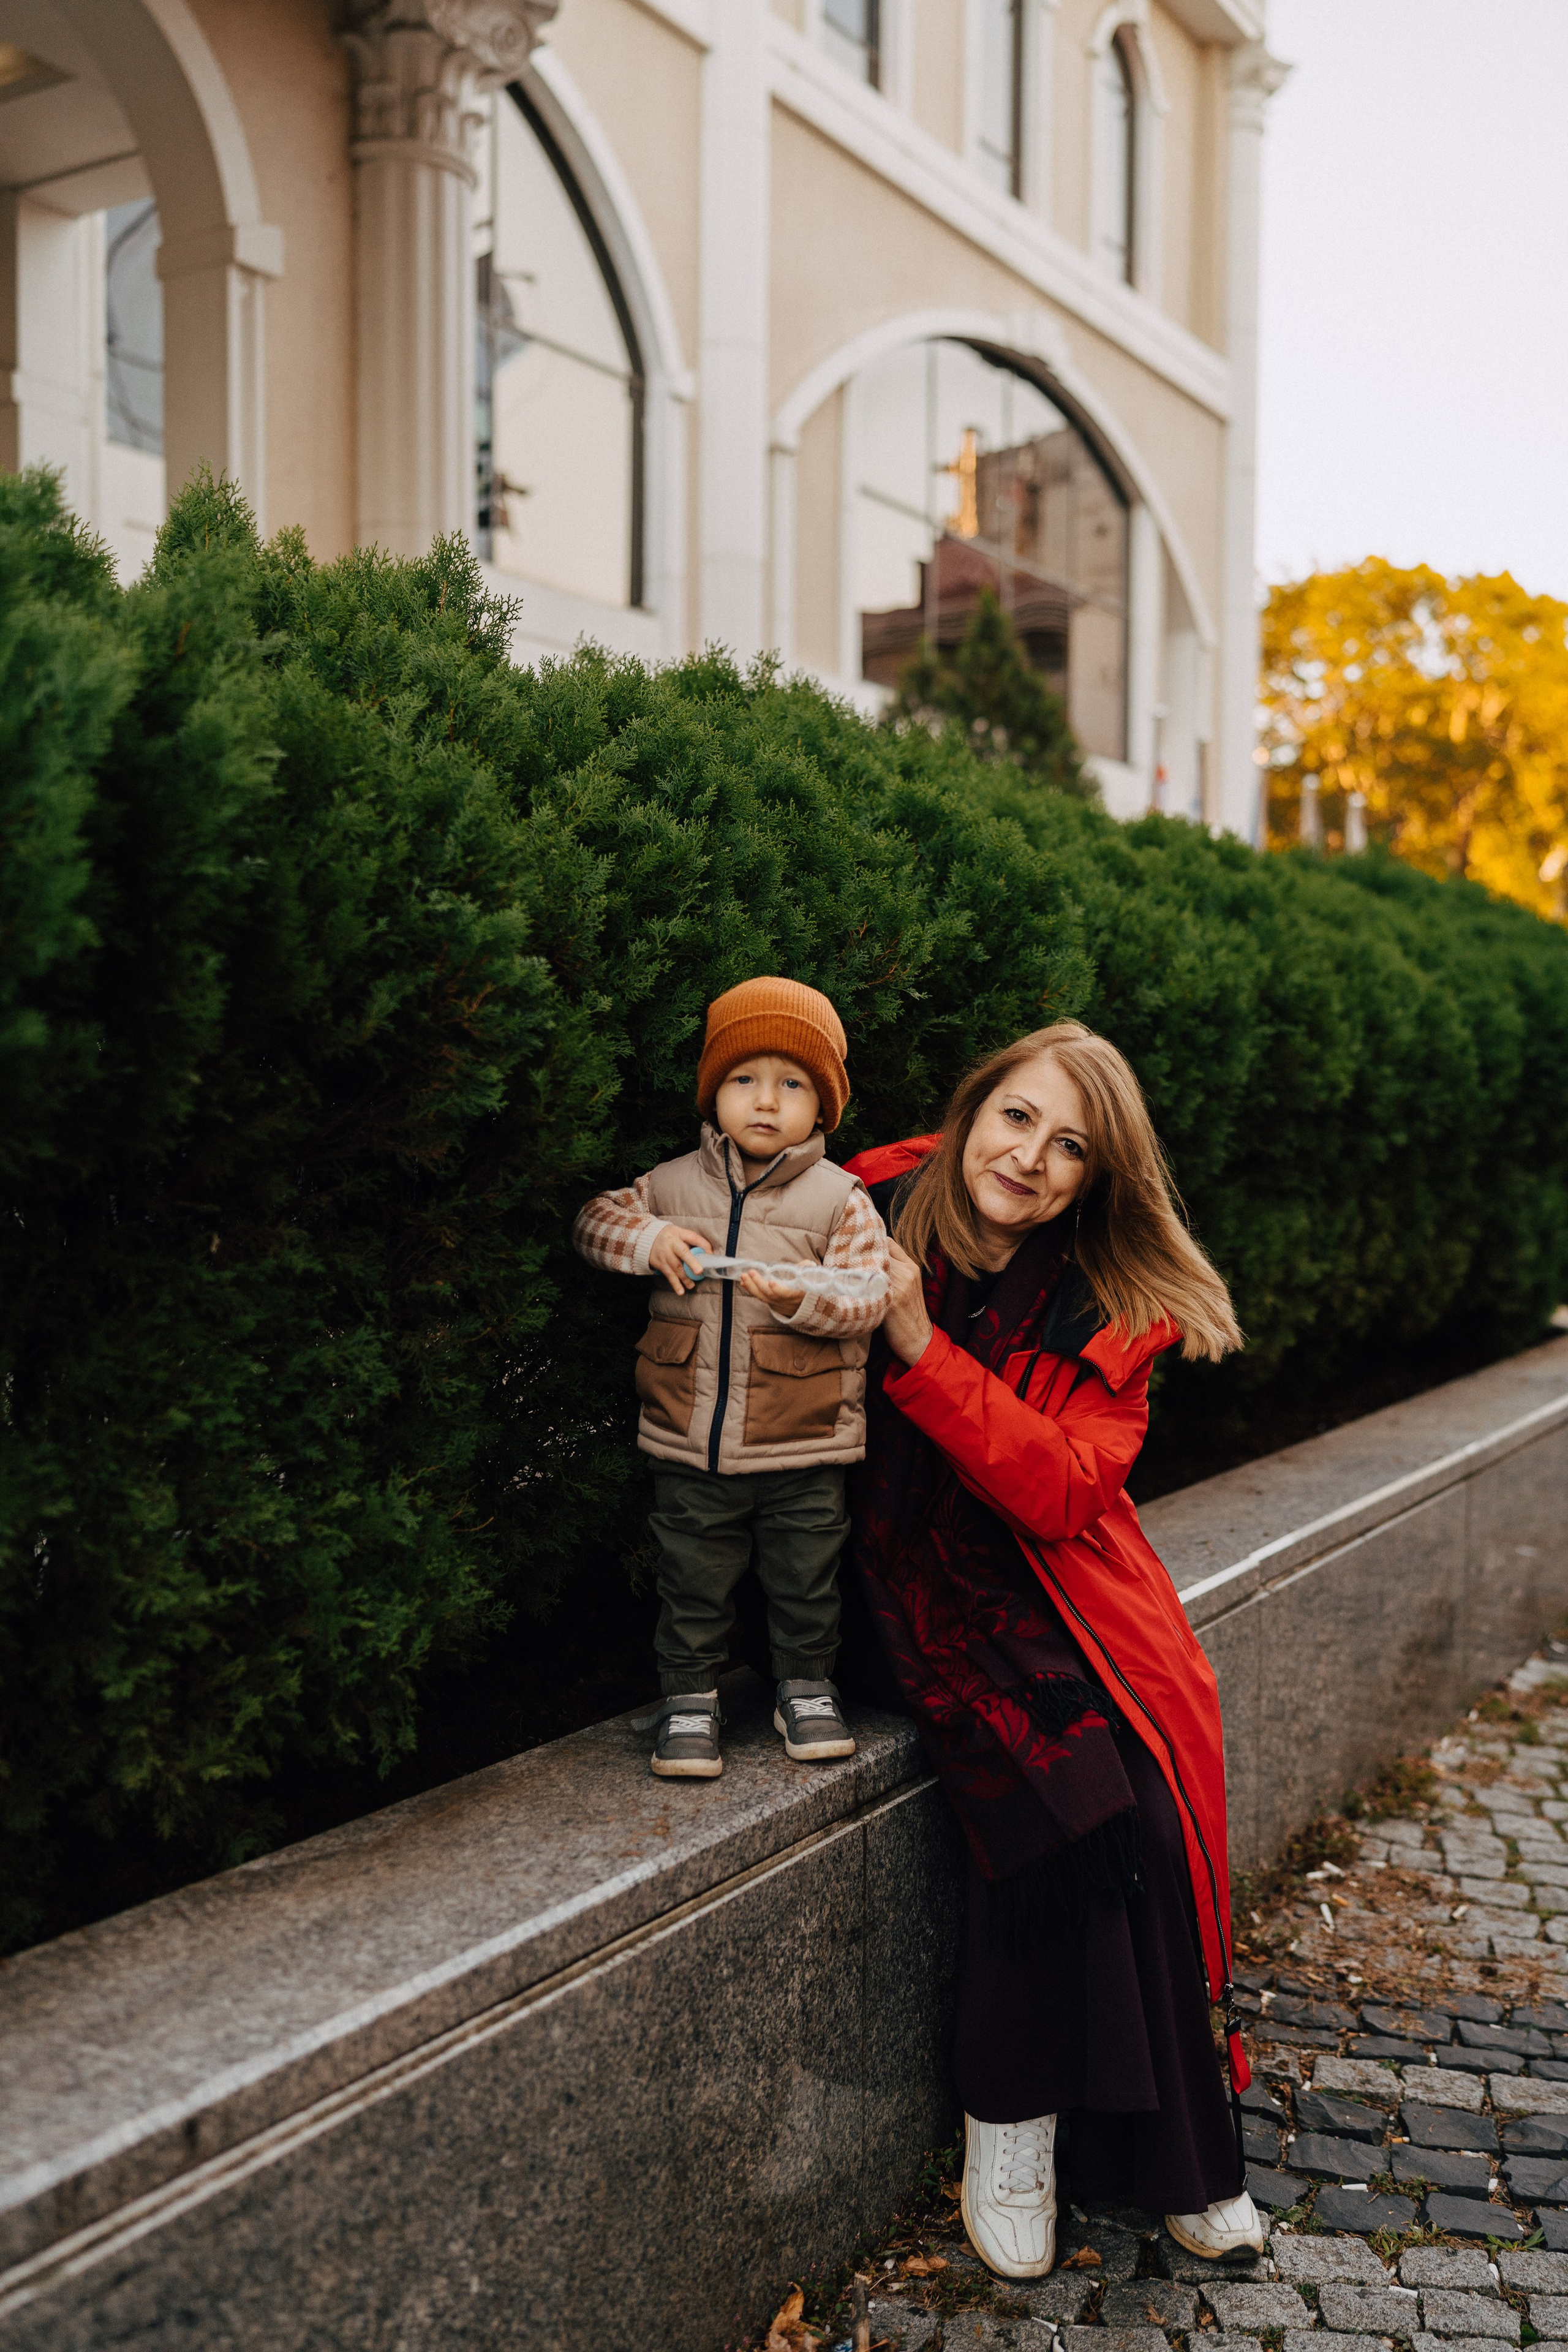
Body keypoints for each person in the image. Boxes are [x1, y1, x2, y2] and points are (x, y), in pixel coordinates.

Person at [842, 1020, 1261, 2278]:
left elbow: (1065, 1490)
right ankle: (1019, 2116)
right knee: (1058, 1799)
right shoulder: (858, 1202)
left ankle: (1162, 2150)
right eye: (1016, 1118)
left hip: (1029, 1583)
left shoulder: (1106, 1303)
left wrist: (915, 1345)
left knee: (1130, 1802)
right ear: (973, 1109)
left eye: (1068, 1147)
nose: (1028, 1159)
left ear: (1095, 1179)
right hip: (861, 1578)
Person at [573, 977, 889, 1780]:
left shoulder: (841, 1199)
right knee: (692, 1580)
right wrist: (649, 1241)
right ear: (713, 1091)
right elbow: (593, 1223)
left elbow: (868, 1295)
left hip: (804, 1442)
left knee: (807, 1578)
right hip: (689, 1442)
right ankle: (689, 1699)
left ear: (823, 1107)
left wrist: (802, 1296)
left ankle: (807, 1688)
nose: (765, 1100)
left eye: (792, 1084)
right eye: (744, 1078)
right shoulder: (669, 1186)